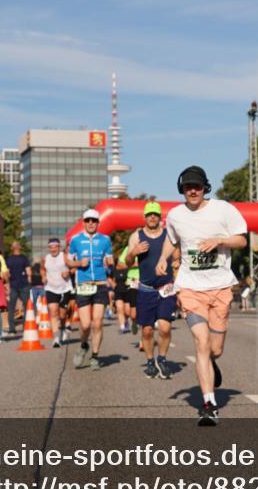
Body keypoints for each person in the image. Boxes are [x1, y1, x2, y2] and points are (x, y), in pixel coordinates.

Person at [157, 166, 248, 426]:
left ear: (205, 187)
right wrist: (163, 258)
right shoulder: (175, 215)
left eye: (197, 186)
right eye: (187, 187)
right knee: (200, 342)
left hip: (220, 288)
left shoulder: (224, 210)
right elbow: (171, 240)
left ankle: (211, 362)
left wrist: (219, 240)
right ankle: (209, 404)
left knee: (214, 349)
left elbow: (241, 240)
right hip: (190, 288)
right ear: (181, 190)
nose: (193, 191)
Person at [125, 201, 179, 380]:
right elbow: (127, 262)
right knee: (147, 331)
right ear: (145, 217)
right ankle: (150, 361)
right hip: (146, 289)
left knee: (164, 328)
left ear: (160, 217)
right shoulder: (136, 236)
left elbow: (177, 258)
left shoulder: (168, 235)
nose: (153, 217)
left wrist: (176, 266)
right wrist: (134, 252)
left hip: (166, 288)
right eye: (149, 215)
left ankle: (162, 359)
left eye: (155, 214)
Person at [66, 209, 115, 370]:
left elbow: (109, 259)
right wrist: (79, 264)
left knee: (98, 322)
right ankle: (83, 345)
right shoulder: (75, 240)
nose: (91, 223)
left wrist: (110, 262)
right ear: (83, 222)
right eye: (88, 221)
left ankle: (95, 356)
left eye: (94, 220)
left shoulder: (105, 240)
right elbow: (68, 261)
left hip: (100, 283)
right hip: (83, 285)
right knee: (86, 325)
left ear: (98, 223)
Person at [42, 238, 72, 348]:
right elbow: (42, 269)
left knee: (62, 314)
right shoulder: (45, 258)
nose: (53, 249)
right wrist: (44, 277)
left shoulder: (64, 256)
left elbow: (73, 268)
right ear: (48, 248)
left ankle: (63, 327)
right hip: (51, 288)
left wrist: (68, 272)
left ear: (59, 247)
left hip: (64, 289)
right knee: (53, 312)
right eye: (51, 247)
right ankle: (56, 338)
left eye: (55, 247)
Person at [5, 241, 32, 336]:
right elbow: (28, 272)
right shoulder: (24, 258)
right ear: (20, 248)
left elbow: (7, 273)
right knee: (26, 307)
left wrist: (8, 284)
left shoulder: (9, 259)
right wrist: (29, 282)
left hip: (13, 285)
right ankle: (26, 327)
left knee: (11, 308)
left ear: (12, 248)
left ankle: (12, 329)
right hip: (24, 285)